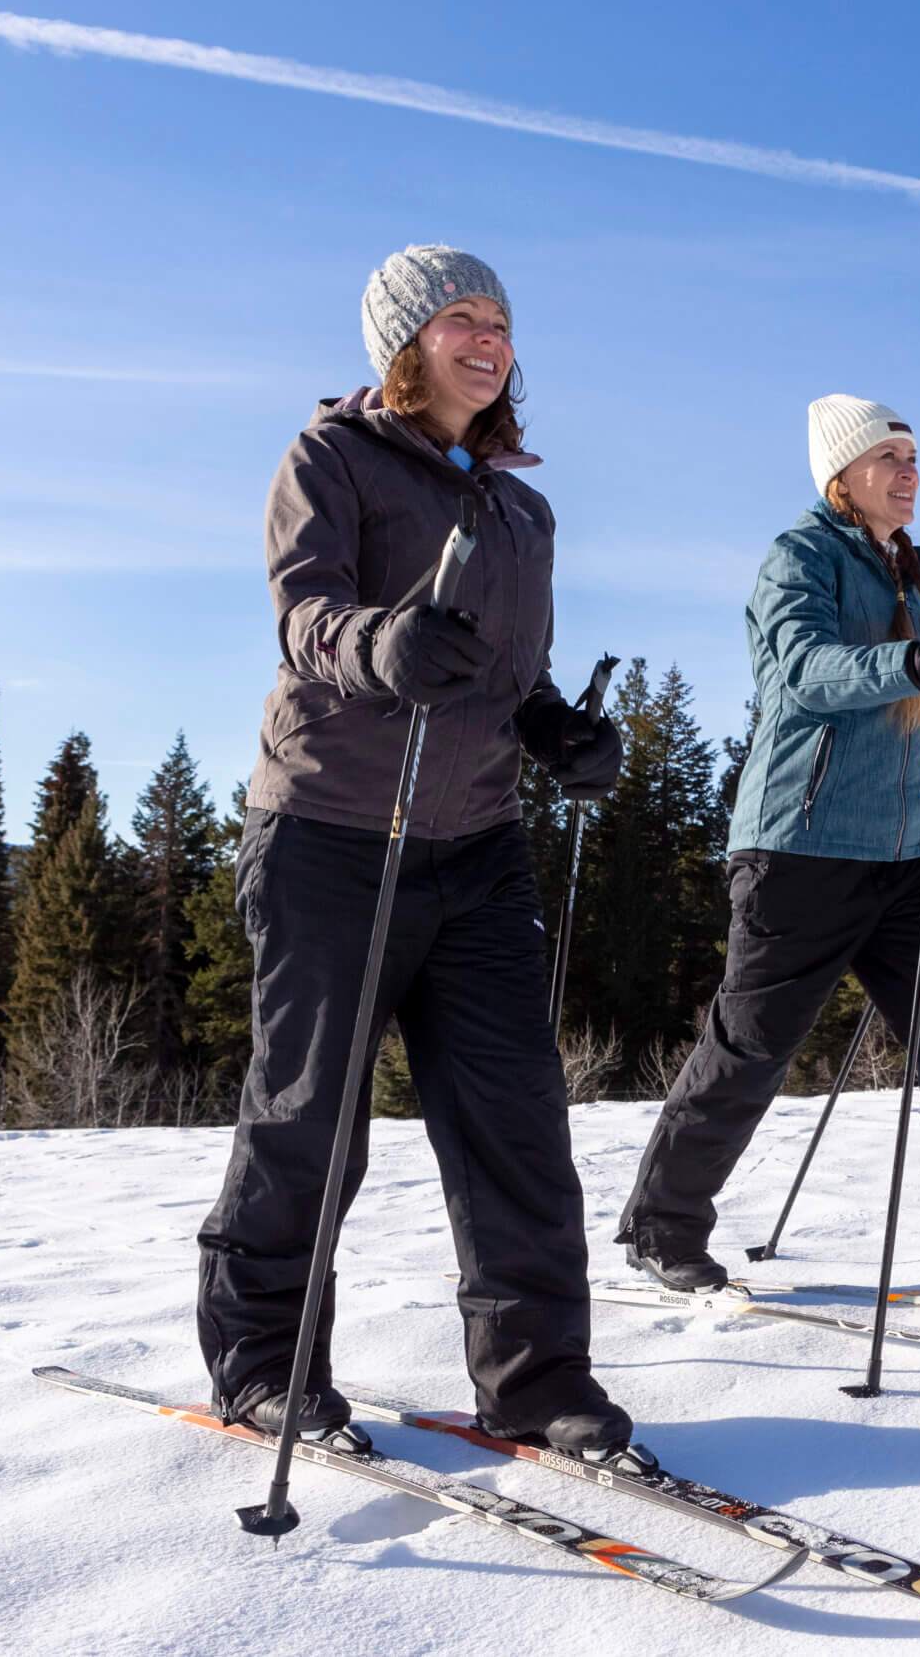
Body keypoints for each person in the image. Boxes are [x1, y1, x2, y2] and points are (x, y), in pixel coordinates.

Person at [195, 246, 632, 1459]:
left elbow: (510, 674)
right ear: (405, 342)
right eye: (459, 320)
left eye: (499, 320)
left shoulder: (521, 511)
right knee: (310, 1116)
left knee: (516, 1124)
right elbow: (306, 612)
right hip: (333, 830)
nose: (488, 340)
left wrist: (559, 735)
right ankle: (264, 1367)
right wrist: (380, 645)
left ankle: (538, 1383)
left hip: (478, 845)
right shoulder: (329, 458)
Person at [615, 394, 920, 1304]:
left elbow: (905, 718)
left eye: (914, 456)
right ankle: (661, 1225)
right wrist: (916, 661)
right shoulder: (800, 558)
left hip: (900, 859)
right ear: (843, 474)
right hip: (799, 846)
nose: (909, 471)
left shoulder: (907, 571)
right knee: (752, 1043)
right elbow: (803, 673)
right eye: (889, 457)